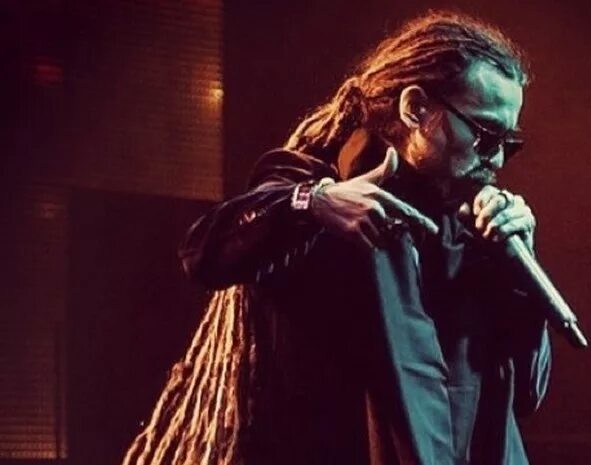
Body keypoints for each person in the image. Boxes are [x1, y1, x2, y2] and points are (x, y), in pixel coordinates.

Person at [122, 10, 551, 465]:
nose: (496, 160)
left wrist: (521, 270)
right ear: (416, 108)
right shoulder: (318, 182)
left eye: (508, 143)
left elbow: (529, 392)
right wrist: (311, 204)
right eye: (485, 135)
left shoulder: (477, 226)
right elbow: (204, 251)